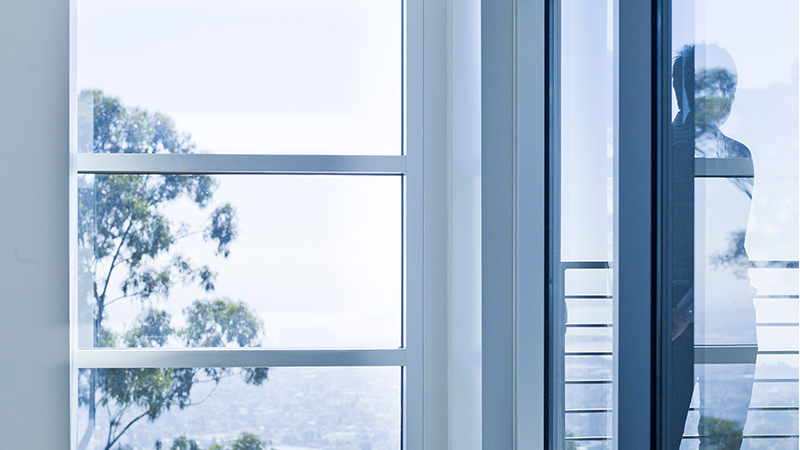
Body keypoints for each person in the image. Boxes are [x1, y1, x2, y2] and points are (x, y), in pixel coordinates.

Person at [671, 43, 757, 450]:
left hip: (676, 316)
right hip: (720, 316)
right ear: (691, 91)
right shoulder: (734, 155)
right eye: (721, 85)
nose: (728, 97)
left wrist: (681, 312)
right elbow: (725, 248)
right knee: (722, 443)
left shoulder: (648, 153)